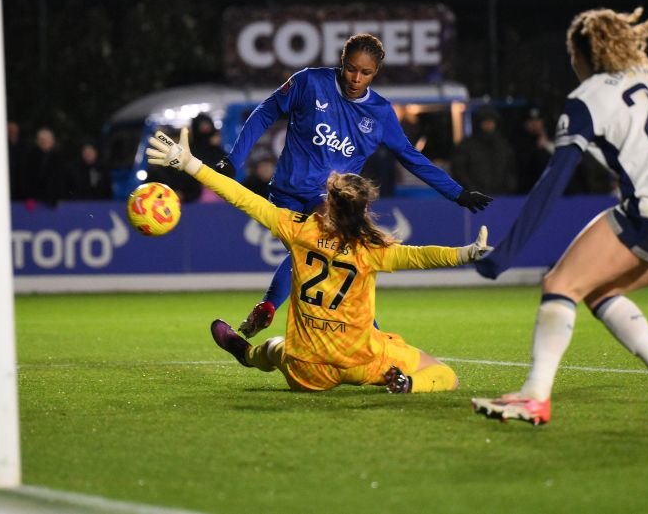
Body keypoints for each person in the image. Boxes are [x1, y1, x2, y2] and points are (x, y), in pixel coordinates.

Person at [471, 7, 648, 425]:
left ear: (581, 54)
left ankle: (535, 395)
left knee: (560, 282)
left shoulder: (588, 98)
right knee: (596, 290)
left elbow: (554, 180)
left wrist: (507, 252)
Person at [146, 128, 492, 392]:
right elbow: (421, 257)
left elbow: (242, 198)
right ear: (363, 210)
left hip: (307, 368)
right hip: (361, 362)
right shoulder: (372, 248)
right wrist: (466, 253)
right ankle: (406, 385)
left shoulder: (299, 229)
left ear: (328, 202)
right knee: (443, 374)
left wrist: (189, 163)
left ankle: (245, 353)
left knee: (274, 350)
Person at [213, 33, 493, 338]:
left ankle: (270, 309)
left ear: (376, 73)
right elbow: (265, 113)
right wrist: (234, 160)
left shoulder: (380, 114)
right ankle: (372, 340)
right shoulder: (309, 83)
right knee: (317, 255)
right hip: (286, 193)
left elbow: (412, 158)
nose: (356, 78)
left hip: (332, 199)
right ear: (342, 62)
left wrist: (457, 193)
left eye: (365, 72)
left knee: (323, 256)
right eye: (351, 68)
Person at [451, 105, 517, 195]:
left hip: (502, 197)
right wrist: (471, 190)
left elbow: (511, 169)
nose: (489, 125)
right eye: (485, 121)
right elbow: (459, 171)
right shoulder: (466, 146)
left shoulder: (503, 145)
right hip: (476, 198)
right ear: (479, 123)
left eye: (491, 122)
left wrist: (509, 188)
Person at [20, 126, 68, 208]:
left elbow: (61, 180)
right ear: (37, 141)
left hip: (56, 201)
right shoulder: (30, 157)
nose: (44, 142)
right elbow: (27, 178)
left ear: (52, 141)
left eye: (47, 140)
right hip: (34, 201)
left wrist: (56, 197)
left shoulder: (60, 158)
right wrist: (29, 197)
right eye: (41, 140)